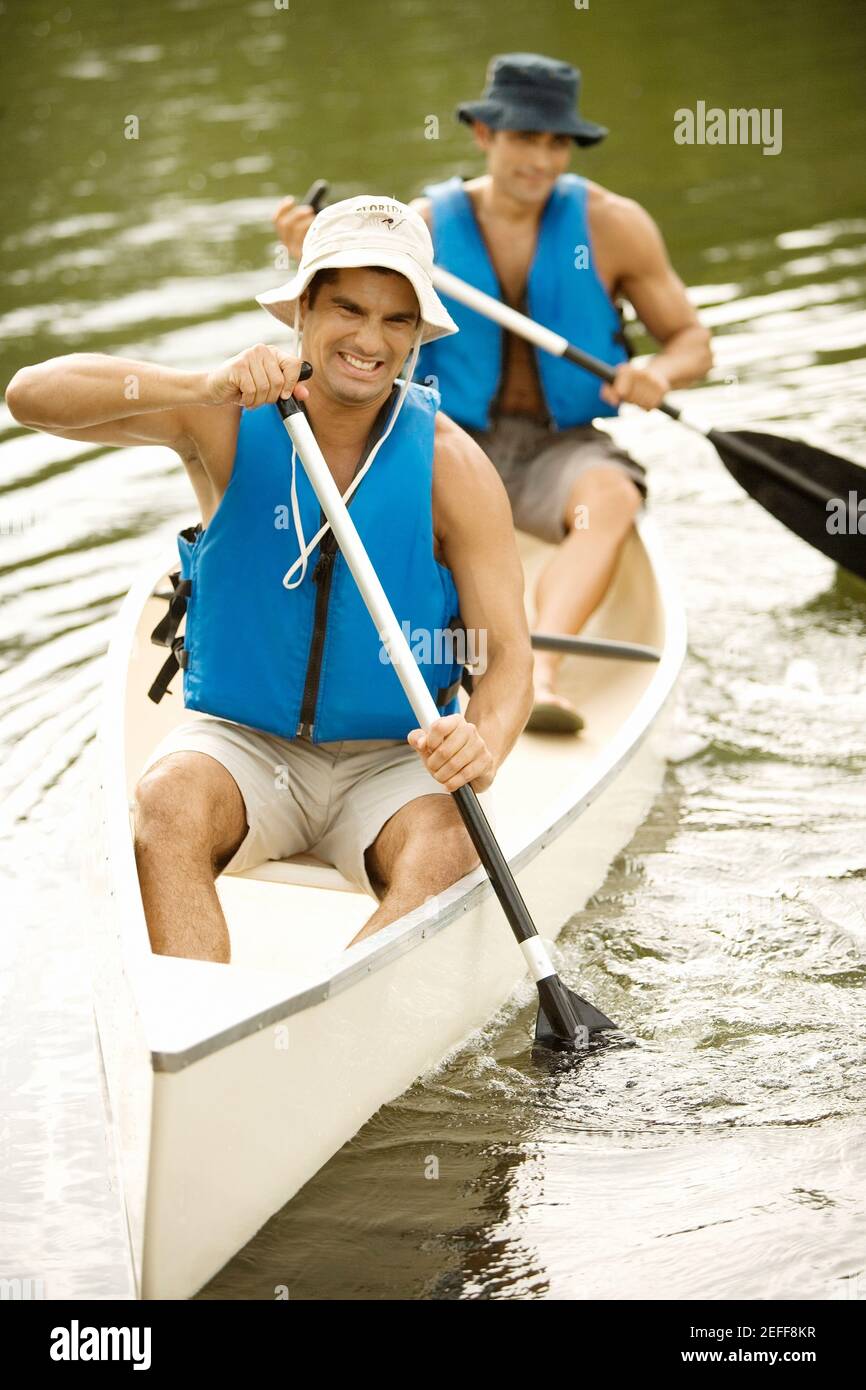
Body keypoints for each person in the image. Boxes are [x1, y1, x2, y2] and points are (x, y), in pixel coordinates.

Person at [6, 197, 533, 963]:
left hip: (395, 757)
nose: (369, 339)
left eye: (396, 321)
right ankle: (198, 1020)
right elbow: (30, 396)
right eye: (348, 309)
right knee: (167, 801)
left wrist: (483, 744)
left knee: (453, 846)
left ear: (419, 336)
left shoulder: (453, 466)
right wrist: (200, 385)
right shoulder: (218, 416)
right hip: (244, 745)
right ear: (303, 310)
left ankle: (333, 1023)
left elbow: (510, 659)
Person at [274, 54, 712, 733]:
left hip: (558, 445)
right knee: (381, 516)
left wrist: (659, 373)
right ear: (484, 135)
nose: (541, 158)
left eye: (556, 141)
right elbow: (336, 317)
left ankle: (539, 672)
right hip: (448, 438)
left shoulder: (614, 225)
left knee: (612, 496)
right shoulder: (419, 229)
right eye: (524, 138)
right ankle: (394, 679)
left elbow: (692, 340)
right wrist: (310, 251)